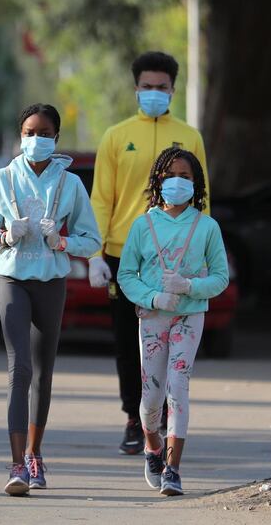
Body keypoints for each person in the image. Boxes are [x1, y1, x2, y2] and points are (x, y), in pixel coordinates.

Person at [0, 103, 101, 496]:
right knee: (19, 368)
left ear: (56, 139)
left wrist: (61, 241)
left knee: (43, 372)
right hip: (12, 278)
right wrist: (5, 237)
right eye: (29, 132)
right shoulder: (1, 179)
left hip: (50, 281)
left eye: (44, 133)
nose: (36, 140)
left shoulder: (71, 184)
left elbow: (92, 239)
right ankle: (16, 467)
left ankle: (34, 452)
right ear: (19, 136)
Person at [88, 51, 210, 455]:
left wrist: (203, 253)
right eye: (147, 87)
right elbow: (102, 198)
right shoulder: (116, 136)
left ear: (173, 89)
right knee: (129, 340)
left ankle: (165, 421)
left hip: (176, 261)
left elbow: (202, 199)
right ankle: (133, 418)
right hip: (127, 255)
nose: (154, 93)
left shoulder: (189, 137)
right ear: (135, 89)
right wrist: (95, 253)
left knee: (174, 343)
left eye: (162, 87)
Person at [117, 146, 228, 495]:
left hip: (189, 316)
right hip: (152, 318)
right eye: (171, 176)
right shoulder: (143, 224)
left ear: (196, 184)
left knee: (177, 388)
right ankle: (152, 447)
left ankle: (173, 468)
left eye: (185, 177)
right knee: (151, 396)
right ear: (158, 181)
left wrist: (190, 287)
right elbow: (126, 275)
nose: (177, 182)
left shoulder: (207, 226)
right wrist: (152, 297)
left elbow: (221, 277)